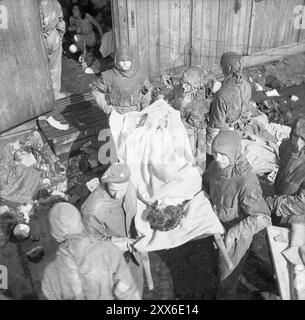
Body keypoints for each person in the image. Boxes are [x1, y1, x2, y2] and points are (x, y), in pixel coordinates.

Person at [203, 131, 272, 299]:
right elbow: (205, 182)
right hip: (216, 224)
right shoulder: (214, 167)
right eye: (215, 153)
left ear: (233, 154)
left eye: (223, 155)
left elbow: (262, 217)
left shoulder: (246, 182)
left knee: (228, 275)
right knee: (217, 262)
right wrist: (206, 196)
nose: (218, 158)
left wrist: (233, 234)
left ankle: (225, 294)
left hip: (237, 232)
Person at [41, 201, 140, 300]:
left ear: (56, 236)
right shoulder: (109, 253)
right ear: (81, 224)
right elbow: (128, 294)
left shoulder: (49, 275)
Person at [81, 162, 144, 297]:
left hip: (134, 251)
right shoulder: (92, 209)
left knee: (137, 287)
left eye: (121, 190)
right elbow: (90, 242)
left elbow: (136, 210)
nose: (116, 195)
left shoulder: (130, 187)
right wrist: (114, 242)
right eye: (113, 190)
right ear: (105, 184)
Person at [206, 51, 252, 162]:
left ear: (227, 68)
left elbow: (215, 126)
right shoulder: (246, 84)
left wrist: (209, 150)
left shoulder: (222, 95)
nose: (221, 70)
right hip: (238, 130)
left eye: (222, 67)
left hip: (223, 135)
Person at [167, 66, 212, 170]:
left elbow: (197, 121)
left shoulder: (197, 99)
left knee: (193, 155)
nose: (184, 87)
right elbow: (170, 96)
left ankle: (198, 172)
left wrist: (185, 125)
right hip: (178, 125)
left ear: (196, 86)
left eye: (188, 85)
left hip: (192, 131)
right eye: (183, 83)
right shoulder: (179, 90)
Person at [90, 45, 153, 115]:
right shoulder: (108, 76)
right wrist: (105, 106)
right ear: (116, 61)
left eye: (127, 60)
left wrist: (145, 107)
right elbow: (97, 91)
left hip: (136, 112)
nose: (125, 63)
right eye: (122, 61)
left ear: (132, 61)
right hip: (116, 113)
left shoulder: (140, 77)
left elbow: (147, 93)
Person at [266, 117, 305, 225]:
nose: (298, 142)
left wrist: (271, 203)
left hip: (293, 210)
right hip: (279, 193)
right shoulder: (286, 146)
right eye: (295, 136)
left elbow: (301, 204)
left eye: (303, 139)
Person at [40, 0, 67, 100]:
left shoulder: (33, 4)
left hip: (37, 38)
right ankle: (55, 93)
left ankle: (42, 93)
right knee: (54, 66)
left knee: (40, 66)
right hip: (52, 35)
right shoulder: (54, 2)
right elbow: (60, 20)